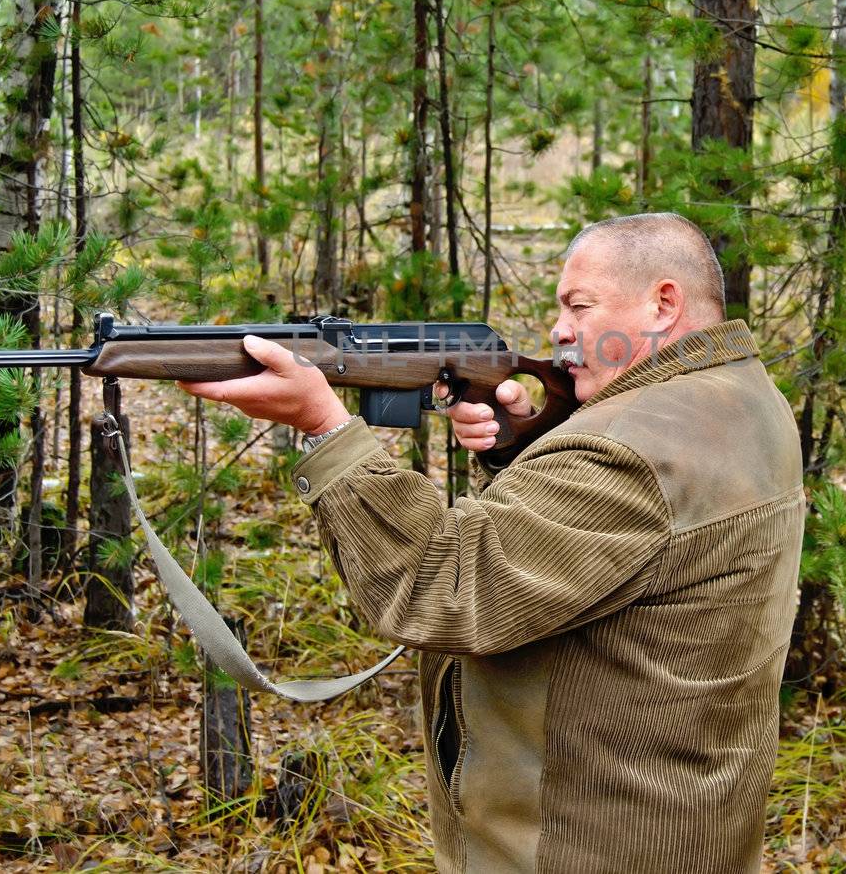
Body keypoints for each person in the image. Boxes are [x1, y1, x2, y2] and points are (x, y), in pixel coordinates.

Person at [179, 212, 805, 874]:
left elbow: (441, 586)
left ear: (664, 303)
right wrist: (523, 449)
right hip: (686, 833)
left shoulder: (632, 448)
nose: (560, 329)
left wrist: (325, 427)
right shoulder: (738, 397)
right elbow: (627, 552)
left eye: (579, 306)